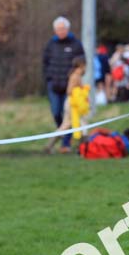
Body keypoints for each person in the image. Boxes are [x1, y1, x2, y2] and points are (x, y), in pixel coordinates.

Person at [42, 16, 84, 153]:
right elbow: (45, 63)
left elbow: (82, 64)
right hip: (54, 85)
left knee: (70, 116)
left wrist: (77, 80)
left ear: (67, 29)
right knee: (56, 112)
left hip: (70, 89)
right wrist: (48, 78)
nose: (61, 31)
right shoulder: (50, 45)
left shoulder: (76, 44)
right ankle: (62, 136)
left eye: (63, 28)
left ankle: (66, 143)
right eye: (58, 29)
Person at [45, 57, 88, 153]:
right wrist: (80, 92)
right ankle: (83, 148)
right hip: (73, 104)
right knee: (82, 124)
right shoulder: (75, 76)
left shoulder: (77, 76)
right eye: (85, 66)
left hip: (73, 103)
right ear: (81, 65)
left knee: (66, 125)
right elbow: (69, 91)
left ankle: (49, 145)